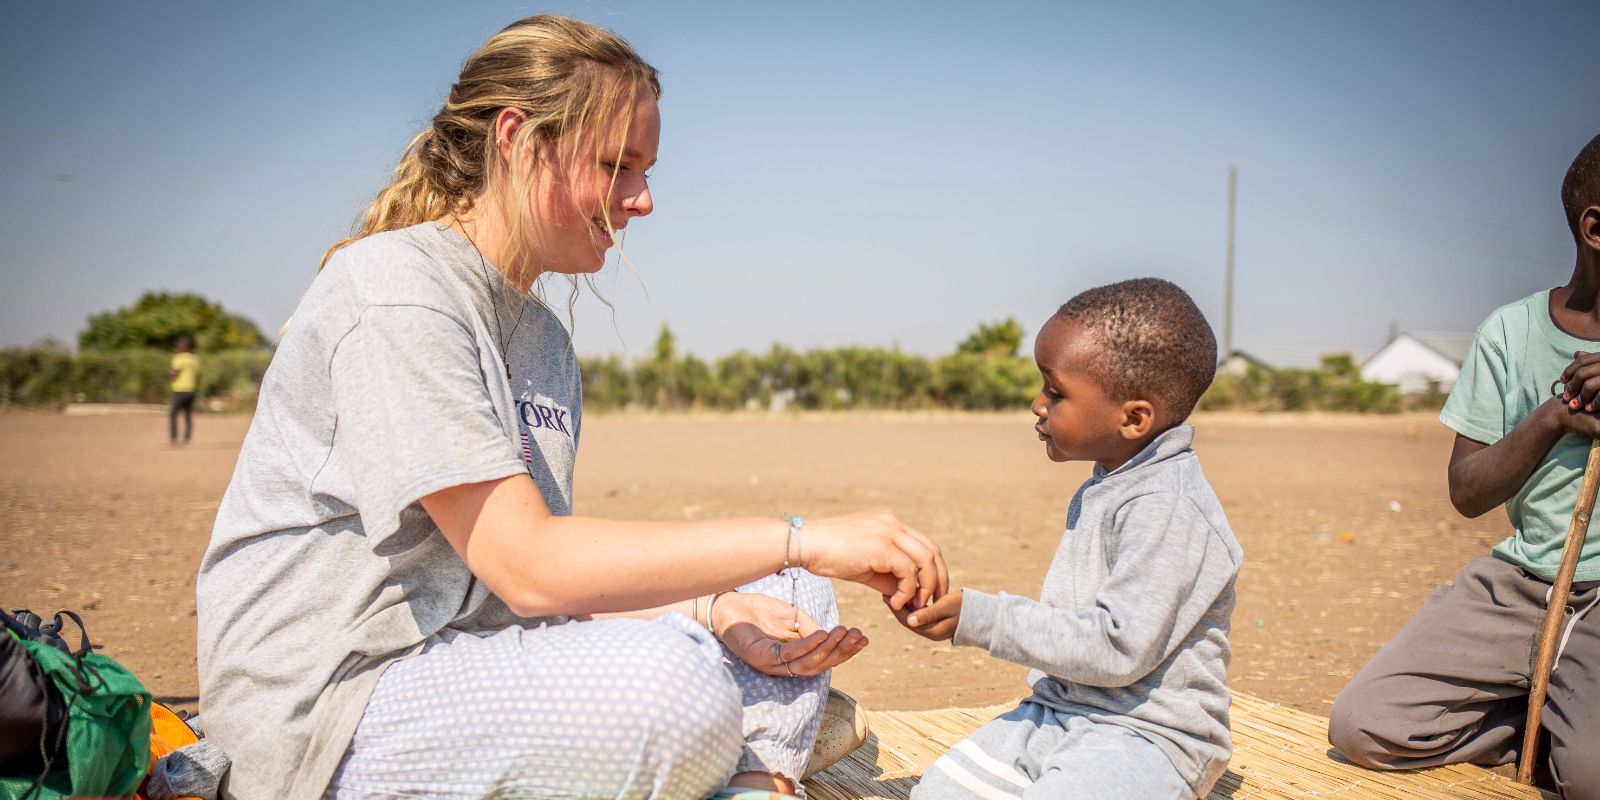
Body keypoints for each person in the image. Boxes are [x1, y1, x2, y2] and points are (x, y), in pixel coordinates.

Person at [194, 15, 947, 800]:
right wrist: (801, 539)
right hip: (336, 710)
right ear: (517, 141)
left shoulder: (542, 337)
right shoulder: (395, 292)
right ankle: (740, 742)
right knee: (674, 685)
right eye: (617, 165)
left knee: (790, 597)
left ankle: (754, 779)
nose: (643, 200)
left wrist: (720, 606)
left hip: (475, 658)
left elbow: (517, 602)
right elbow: (529, 570)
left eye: (647, 169)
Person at [895, 278, 1241, 799]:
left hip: (1150, 734)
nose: (1038, 405)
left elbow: (1119, 649)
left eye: (1055, 392)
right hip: (1058, 711)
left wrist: (983, 619)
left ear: (1133, 418)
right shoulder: (1108, 485)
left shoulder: (1168, 507)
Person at [1329, 134, 1600, 798]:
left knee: (1589, 777)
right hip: (1519, 584)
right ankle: (1527, 717)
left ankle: (1567, 732)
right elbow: (1467, 492)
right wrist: (1553, 418)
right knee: (1364, 726)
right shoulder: (1510, 331)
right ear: (1596, 228)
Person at [168, 335, 198, 445]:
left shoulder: (179, 358)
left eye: (179, 343)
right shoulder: (195, 358)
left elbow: (173, 373)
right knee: (187, 414)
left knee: (173, 414)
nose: (177, 345)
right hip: (191, 389)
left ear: (185, 345)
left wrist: (170, 372)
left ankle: (174, 438)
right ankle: (187, 438)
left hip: (180, 389)